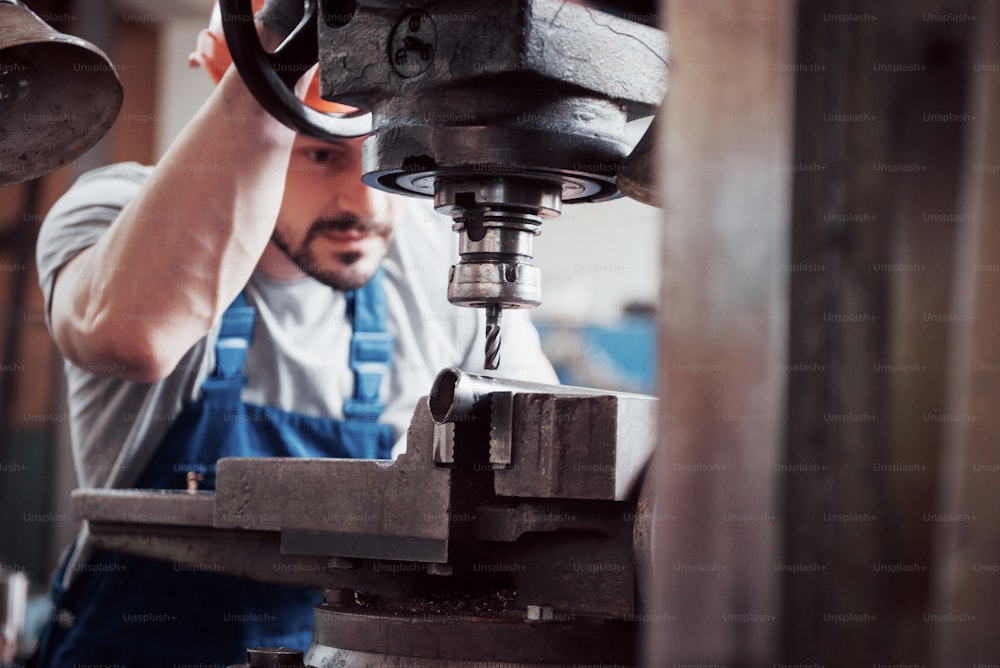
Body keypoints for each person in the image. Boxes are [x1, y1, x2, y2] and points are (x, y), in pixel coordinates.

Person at [31, 3, 556, 666]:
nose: (366, 203)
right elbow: (133, 335)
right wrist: (280, 46)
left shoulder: (421, 259)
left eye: (382, 157)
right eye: (321, 153)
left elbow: (540, 449)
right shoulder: (114, 211)